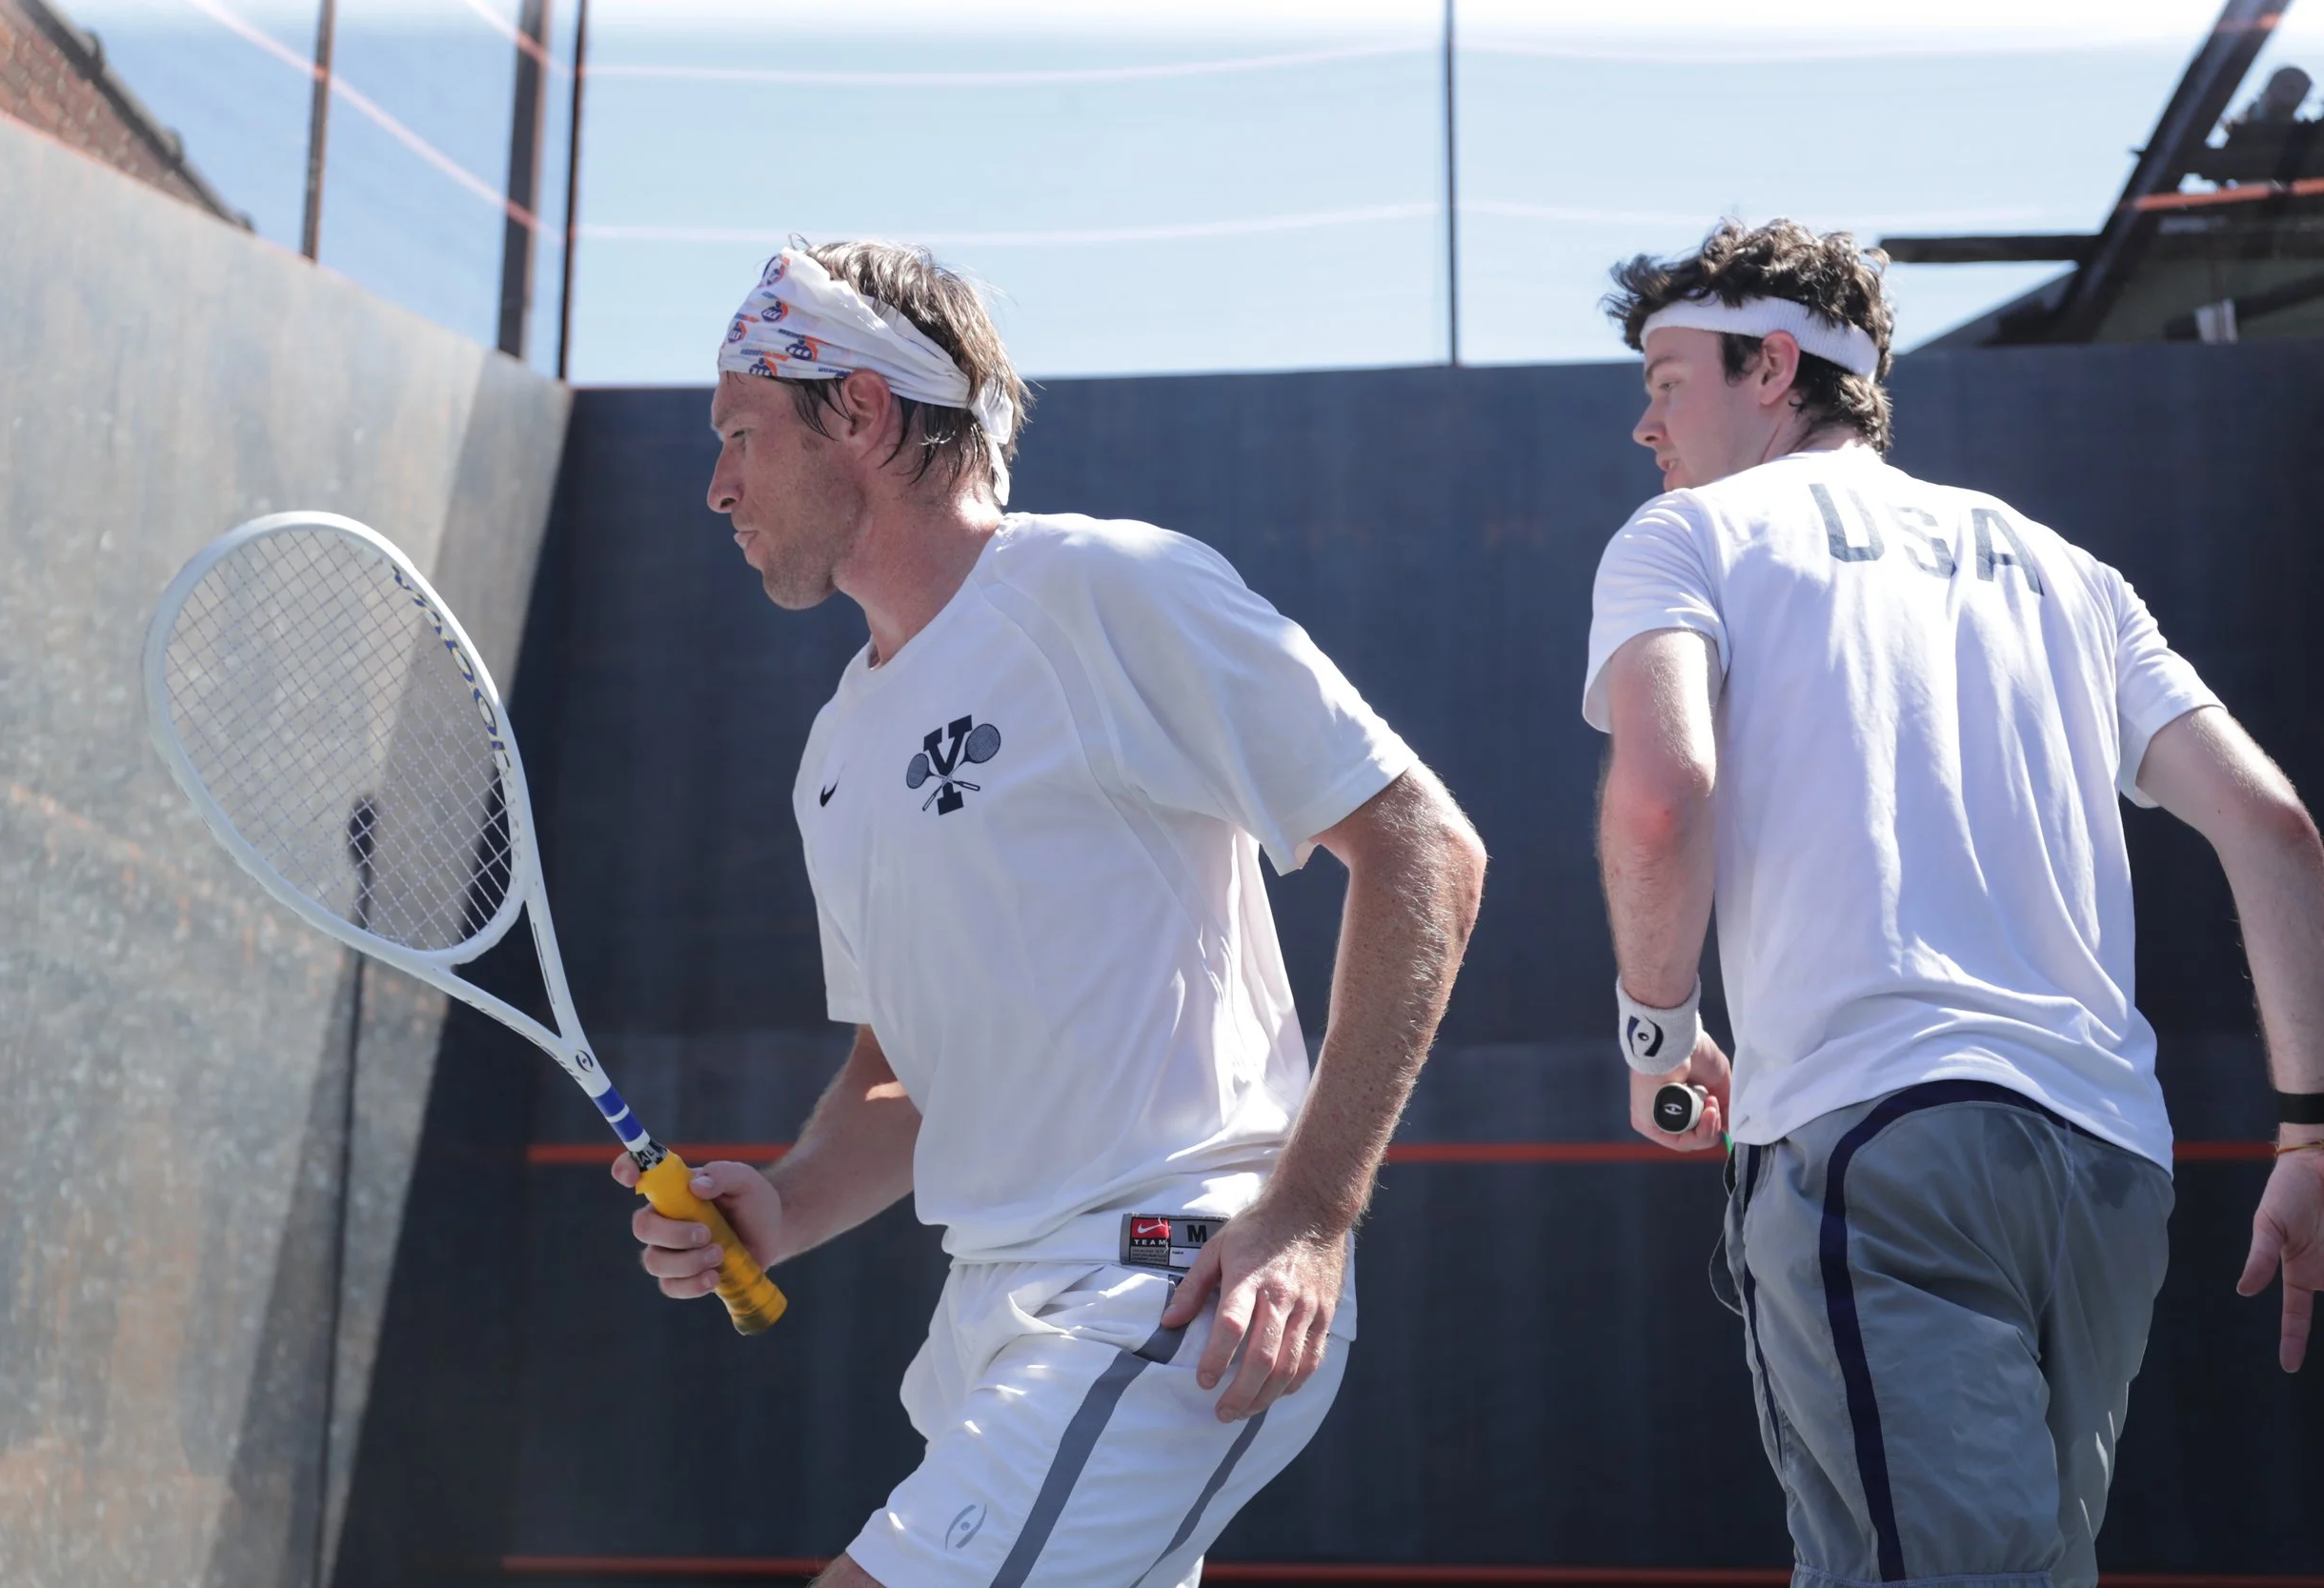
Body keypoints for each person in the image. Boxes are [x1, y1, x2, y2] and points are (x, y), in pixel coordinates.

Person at [614, 240, 1486, 1588]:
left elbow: (1426, 849)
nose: (718, 486)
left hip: (1166, 1279)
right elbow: (901, 1069)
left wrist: (1312, 1211)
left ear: (861, 411)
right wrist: (782, 1203)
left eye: (741, 434)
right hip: (993, 1324)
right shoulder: (835, 750)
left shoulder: (1106, 589)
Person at [1583, 218, 2324, 1588]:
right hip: (2110, 1171)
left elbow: (1661, 798)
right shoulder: (2075, 576)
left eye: (1668, 382)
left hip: (1874, 1146)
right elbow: (2277, 831)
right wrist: (2312, 1133)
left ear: (1773, 367)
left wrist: (1656, 1032)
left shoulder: (1683, 538)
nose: (1646, 425)